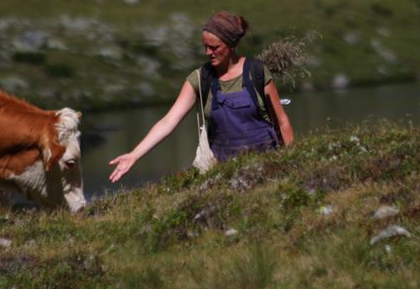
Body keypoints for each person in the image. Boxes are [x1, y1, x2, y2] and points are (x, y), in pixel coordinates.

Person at [109, 11, 294, 182]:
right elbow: (168, 121)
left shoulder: (257, 72)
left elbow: (282, 121)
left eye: (214, 47)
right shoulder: (200, 79)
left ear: (230, 45)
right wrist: (134, 154)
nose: (208, 53)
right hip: (225, 177)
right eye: (205, 47)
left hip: (270, 170)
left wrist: (293, 162)